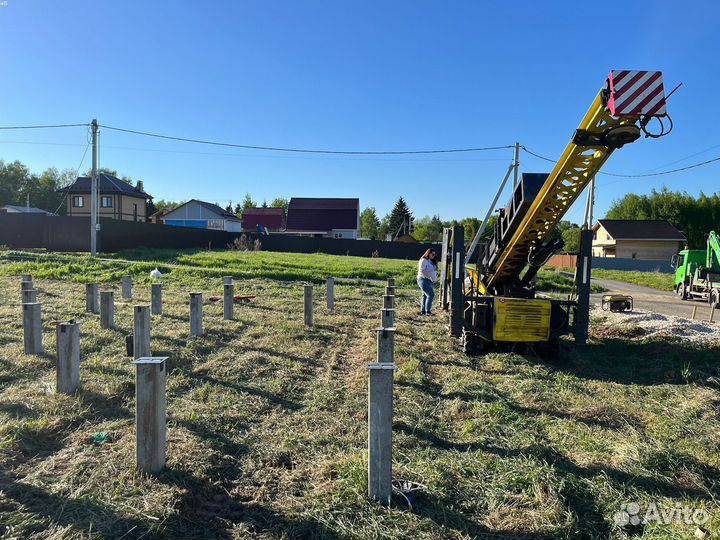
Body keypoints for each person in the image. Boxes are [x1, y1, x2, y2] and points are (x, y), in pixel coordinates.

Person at [417, 248, 438, 315]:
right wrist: (430, 277)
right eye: (432, 254)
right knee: (431, 295)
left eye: (435, 254)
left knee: (425, 295)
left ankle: (423, 311)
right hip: (423, 279)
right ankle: (428, 311)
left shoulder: (430, 261)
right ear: (428, 253)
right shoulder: (423, 260)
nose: (434, 256)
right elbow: (422, 271)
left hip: (429, 280)